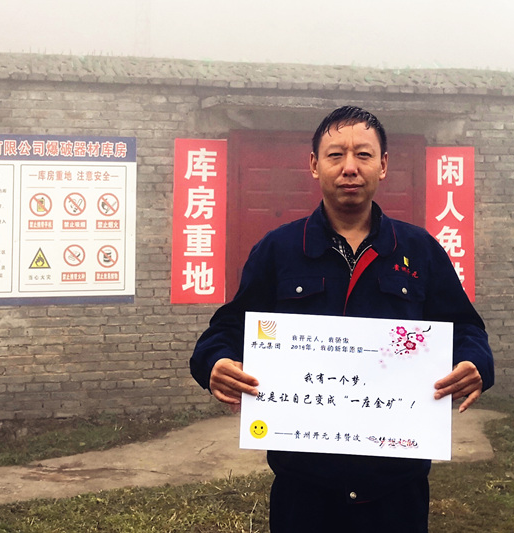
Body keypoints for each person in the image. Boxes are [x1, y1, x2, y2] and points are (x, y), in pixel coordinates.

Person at [190, 105, 494, 532]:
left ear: (383, 165)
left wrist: (475, 362)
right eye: (336, 155)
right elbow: (226, 329)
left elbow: (465, 327)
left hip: (396, 489)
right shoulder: (278, 250)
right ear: (314, 165)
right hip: (304, 491)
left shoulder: (420, 250)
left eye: (363, 155)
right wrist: (215, 363)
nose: (350, 167)